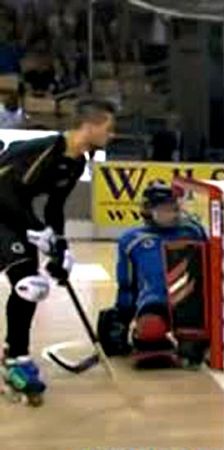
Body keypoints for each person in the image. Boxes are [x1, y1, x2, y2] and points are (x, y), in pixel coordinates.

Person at [0, 97, 115, 399]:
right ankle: (15, 356)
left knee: (31, 286)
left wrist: (61, 248)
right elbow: (5, 191)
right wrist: (36, 230)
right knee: (26, 281)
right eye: (107, 127)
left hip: (14, 215)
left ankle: (16, 357)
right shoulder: (45, 149)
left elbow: (54, 208)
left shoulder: (76, 162)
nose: (111, 135)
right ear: (89, 126)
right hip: (3, 208)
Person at [97, 181, 208, 369]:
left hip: (190, 300)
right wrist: (123, 314)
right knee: (151, 329)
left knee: (195, 349)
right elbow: (127, 282)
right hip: (155, 300)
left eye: (174, 208)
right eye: (165, 209)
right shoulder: (132, 239)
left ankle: (190, 338)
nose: (172, 213)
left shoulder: (193, 231)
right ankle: (148, 335)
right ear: (148, 210)